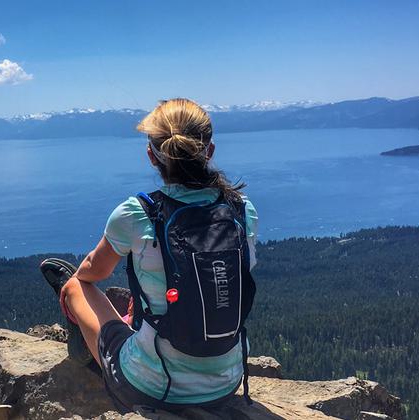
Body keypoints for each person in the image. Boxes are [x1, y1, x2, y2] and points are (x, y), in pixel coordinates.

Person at [40, 98, 259, 413]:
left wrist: (79, 279)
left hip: (151, 389)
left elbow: (94, 271)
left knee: (76, 286)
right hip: (227, 384)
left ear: (151, 157)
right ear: (209, 151)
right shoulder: (241, 210)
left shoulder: (138, 213)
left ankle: (86, 342)